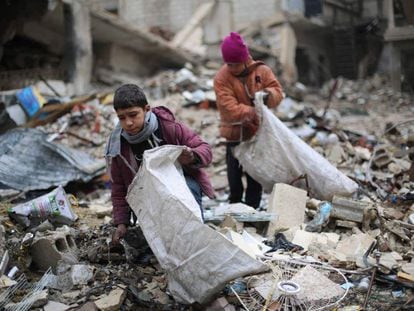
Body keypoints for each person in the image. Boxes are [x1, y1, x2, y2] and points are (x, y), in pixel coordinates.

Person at [105, 84, 214, 244]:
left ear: (147, 109)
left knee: (190, 193)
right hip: (148, 196)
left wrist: (192, 156)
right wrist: (122, 223)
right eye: (122, 118)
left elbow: (205, 149)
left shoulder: (169, 128)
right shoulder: (118, 147)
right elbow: (119, 187)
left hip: (182, 186)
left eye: (133, 115)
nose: (128, 123)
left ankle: (196, 240)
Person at [214, 32, 283, 209]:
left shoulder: (262, 71)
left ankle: (252, 209)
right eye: (229, 64)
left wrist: (268, 96)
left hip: (258, 133)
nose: (232, 68)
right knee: (234, 174)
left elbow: (277, 91)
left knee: (255, 174)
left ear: (245, 59)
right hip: (234, 133)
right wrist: (255, 112)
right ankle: (235, 207)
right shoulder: (222, 78)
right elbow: (229, 109)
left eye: (235, 64)